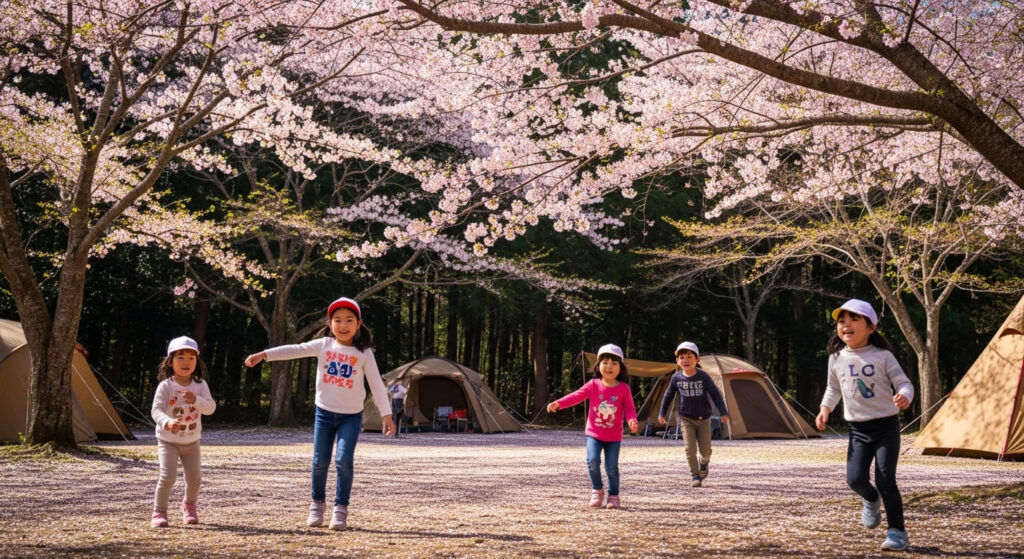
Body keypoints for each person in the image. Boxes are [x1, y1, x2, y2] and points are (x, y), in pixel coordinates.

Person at [244, 297, 395, 530]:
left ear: (358, 324)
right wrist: (264, 354)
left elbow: (376, 384)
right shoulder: (323, 345)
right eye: (338, 320)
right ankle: (317, 505)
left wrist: (387, 414)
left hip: (351, 416)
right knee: (320, 461)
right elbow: (295, 350)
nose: (343, 325)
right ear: (330, 323)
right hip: (324, 413)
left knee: (343, 460)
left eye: (349, 320)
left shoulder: (364, 352)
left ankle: (340, 509)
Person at [815, 299, 914, 552]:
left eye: (854, 319)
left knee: (885, 479)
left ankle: (897, 533)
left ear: (871, 327)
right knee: (855, 479)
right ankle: (871, 498)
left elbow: (904, 383)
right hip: (858, 430)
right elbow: (833, 388)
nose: (846, 324)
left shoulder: (883, 356)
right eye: (841, 321)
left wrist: (904, 396)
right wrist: (825, 409)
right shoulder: (836, 358)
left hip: (885, 427)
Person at [547, 343, 639, 509]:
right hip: (594, 434)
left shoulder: (624, 388)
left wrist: (632, 420)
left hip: (614, 437)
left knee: (611, 467)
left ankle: (613, 496)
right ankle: (597, 490)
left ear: (621, 368)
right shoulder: (594, 384)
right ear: (598, 366)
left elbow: (629, 408)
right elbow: (576, 396)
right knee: (593, 461)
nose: (609, 367)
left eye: (614, 363)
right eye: (605, 362)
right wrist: (558, 403)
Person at [150, 336, 217, 528]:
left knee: (195, 478)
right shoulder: (166, 385)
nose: (186, 362)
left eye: (191, 358)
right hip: (168, 441)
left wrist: (195, 400)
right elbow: (156, 410)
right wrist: (168, 422)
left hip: (192, 442)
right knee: (168, 476)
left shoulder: (200, 385)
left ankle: (189, 506)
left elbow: (210, 408)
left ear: (197, 361)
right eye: (180, 357)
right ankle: (159, 511)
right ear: (170, 361)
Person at [657, 341, 731, 488]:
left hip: (704, 419)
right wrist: (662, 413)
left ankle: (704, 463)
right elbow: (668, 395)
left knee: (705, 451)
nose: (685, 360)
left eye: (689, 357)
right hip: (686, 419)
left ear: (697, 359)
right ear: (677, 361)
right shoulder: (676, 378)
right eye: (682, 358)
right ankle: (695, 476)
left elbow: (715, 394)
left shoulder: (703, 377)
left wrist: (723, 412)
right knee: (690, 449)